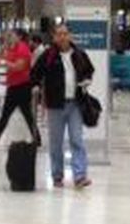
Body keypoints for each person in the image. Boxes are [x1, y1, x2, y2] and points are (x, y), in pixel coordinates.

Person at [35, 24, 95, 189]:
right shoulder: (48, 55)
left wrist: (87, 79)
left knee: (77, 139)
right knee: (56, 143)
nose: (62, 37)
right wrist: (37, 87)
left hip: (75, 103)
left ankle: (80, 175)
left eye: (65, 34)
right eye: (59, 34)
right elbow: (35, 74)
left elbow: (89, 70)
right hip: (55, 105)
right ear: (54, 37)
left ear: (70, 36)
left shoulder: (79, 54)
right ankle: (57, 175)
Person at [0, 28, 39, 147]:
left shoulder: (23, 48)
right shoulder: (12, 48)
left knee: (12, 113)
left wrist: (5, 63)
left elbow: (19, 67)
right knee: (22, 113)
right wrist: (4, 46)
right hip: (13, 84)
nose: (10, 37)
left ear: (19, 36)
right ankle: (36, 137)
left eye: (12, 35)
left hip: (22, 85)